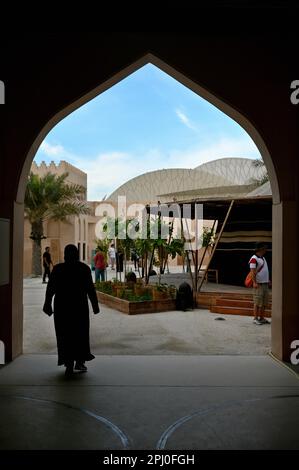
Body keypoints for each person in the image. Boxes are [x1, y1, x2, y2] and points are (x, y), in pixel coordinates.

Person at [43, 244, 100, 376]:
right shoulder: (84, 269)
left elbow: (50, 289)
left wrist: (47, 304)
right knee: (80, 333)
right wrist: (95, 306)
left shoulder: (58, 269)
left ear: (65, 255)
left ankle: (68, 363)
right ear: (77, 254)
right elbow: (90, 289)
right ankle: (79, 362)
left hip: (62, 307)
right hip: (79, 307)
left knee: (64, 335)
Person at [249, 242, 271, 325]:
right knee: (257, 302)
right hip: (258, 284)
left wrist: (267, 280)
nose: (266, 250)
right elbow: (252, 272)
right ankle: (255, 318)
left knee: (264, 302)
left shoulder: (263, 258)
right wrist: (254, 282)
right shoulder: (254, 259)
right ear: (260, 249)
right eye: (264, 248)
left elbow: (265, 270)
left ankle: (261, 318)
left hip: (265, 283)